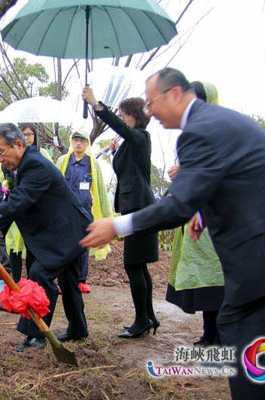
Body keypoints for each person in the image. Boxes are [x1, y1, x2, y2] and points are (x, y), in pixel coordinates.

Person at [80, 67, 265, 399]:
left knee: (237, 336)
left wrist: (117, 225)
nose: (150, 111)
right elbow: (235, 184)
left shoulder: (199, 131)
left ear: (175, 94)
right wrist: (205, 212)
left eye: (151, 102)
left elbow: (178, 206)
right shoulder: (220, 121)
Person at [0, 123, 91, 352]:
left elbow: (18, 202)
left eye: (2, 152)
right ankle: (78, 329)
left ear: (18, 144)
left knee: (40, 274)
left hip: (68, 230)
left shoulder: (36, 165)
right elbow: (13, 202)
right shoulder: (16, 166)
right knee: (69, 281)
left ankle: (36, 335)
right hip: (59, 230)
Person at [82, 88, 159, 339]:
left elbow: (123, 129)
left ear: (135, 116)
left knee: (133, 265)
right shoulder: (133, 141)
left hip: (139, 208)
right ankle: (148, 317)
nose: (122, 118)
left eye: (124, 114)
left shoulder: (141, 136)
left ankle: (141, 320)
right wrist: (116, 152)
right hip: (134, 207)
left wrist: (97, 105)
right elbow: (129, 168)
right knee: (139, 266)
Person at [166, 81, 225, 347]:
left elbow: (218, 175)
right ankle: (209, 334)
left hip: (217, 220)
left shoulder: (221, 133)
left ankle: (221, 337)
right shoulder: (196, 134)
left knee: (216, 280)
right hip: (197, 220)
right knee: (204, 282)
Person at [56, 129, 112, 293]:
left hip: (85, 211)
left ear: (87, 143)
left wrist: (106, 214)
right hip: (65, 211)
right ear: (72, 142)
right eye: (75, 140)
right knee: (64, 245)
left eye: (82, 140)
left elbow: (100, 189)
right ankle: (62, 280)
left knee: (83, 245)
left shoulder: (92, 163)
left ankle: (81, 280)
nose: (78, 143)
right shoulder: (63, 161)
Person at [0, 123, 52, 282]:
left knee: (33, 248)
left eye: (29, 134)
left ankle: (33, 286)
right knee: (14, 248)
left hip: (36, 210)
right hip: (15, 208)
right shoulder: (8, 158)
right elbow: (2, 181)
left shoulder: (42, 155)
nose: (26, 137)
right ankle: (14, 284)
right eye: (23, 134)